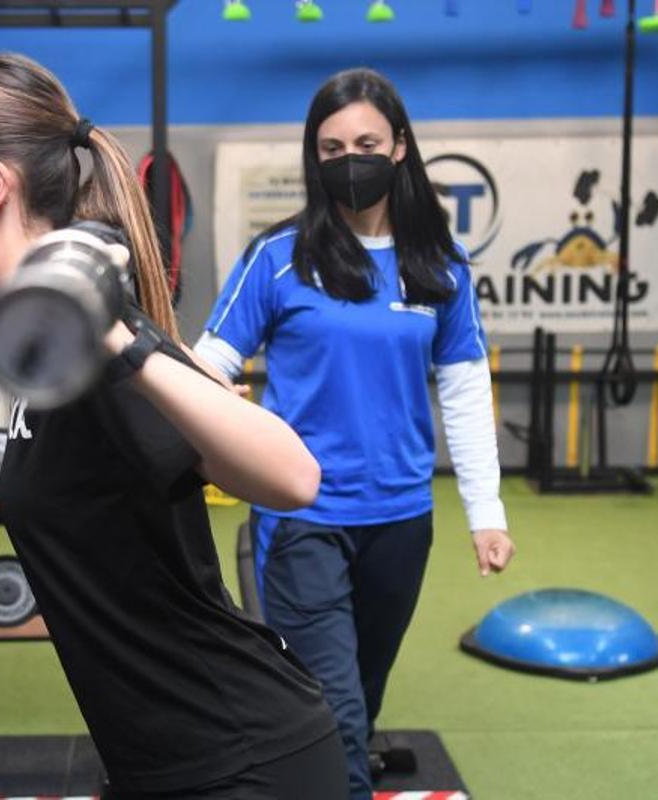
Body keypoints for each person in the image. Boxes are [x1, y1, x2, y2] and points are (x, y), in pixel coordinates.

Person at [0, 53, 348, 799]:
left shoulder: (100, 342)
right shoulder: (50, 346)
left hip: (241, 763)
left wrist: (120, 337)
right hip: (163, 763)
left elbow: (294, 477)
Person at [195, 67, 517, 800]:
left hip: (402, 519)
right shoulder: (276, 258)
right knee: (331, 706)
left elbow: (465, 390)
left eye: (366, 142)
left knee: (360, 697)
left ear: (400, 147)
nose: (349, 159)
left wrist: (487, 513)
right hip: (303, 516)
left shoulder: (438, 263)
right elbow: (209, 363)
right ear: (315, 156)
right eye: (331, 147)